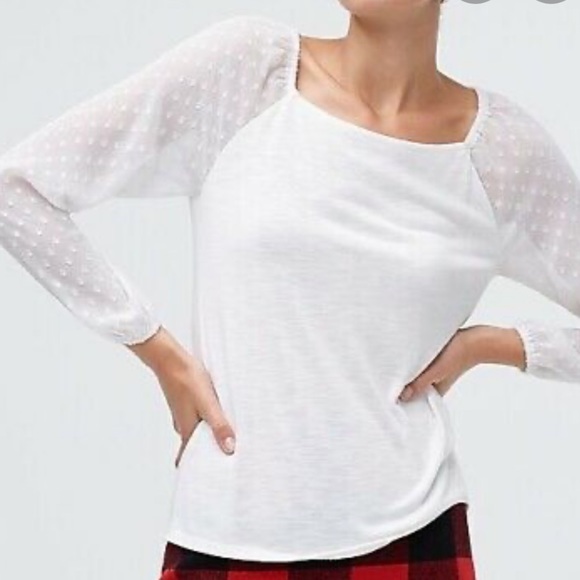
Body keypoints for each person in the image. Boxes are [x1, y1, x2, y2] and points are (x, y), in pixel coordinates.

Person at [1, 1, 579, 578]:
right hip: (226, 533)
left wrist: (497, 345)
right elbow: (16, 188)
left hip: (411, 534)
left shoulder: (499, 153)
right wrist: (157, 350)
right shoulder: (249, 72)